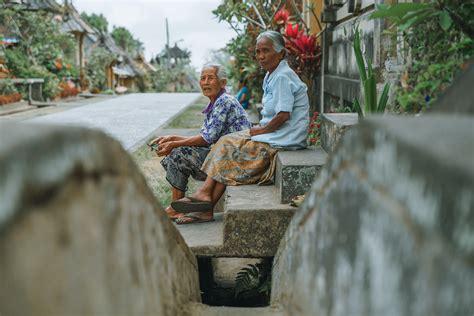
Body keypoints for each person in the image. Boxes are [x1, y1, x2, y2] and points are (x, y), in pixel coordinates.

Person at [171, 31, 309, 225]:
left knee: (230, 149)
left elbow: (283, 115)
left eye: (266, 51)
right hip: (274, 134)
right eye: (258, 52)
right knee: (226, 142)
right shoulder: (272, 75)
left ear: (281, 53)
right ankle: (205, 202)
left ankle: (205, 200)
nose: (261, 56)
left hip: (284, 138)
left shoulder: (282, 77)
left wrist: (261, 130)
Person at [150, 62, 251, 220]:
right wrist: (171, 138)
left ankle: (176, 207)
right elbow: (204, 136)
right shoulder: (215, 103)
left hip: (231, 160)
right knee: (177, 151)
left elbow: (206, 139)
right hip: (221, 158)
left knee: (178, 153)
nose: (205, 82)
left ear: (222, 82)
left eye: (210, 78)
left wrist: (174, 144)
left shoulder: (224, 101)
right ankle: (177, 206)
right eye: (202, 78)